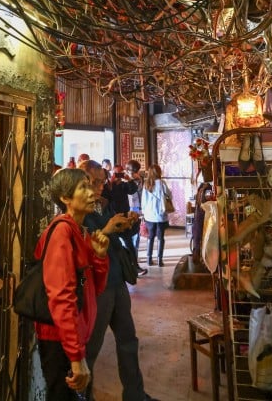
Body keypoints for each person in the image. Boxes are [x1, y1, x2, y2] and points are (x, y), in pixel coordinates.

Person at [80, 160, 159, 401]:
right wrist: (108, 228)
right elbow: (86, 247)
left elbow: (120, 232)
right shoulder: (78, 213)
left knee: (128, 339)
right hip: (97, 286)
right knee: (91, 348)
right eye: (93, 182)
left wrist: (130, 224)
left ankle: (135, 395)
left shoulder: (104, 205)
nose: (99, 187)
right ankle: (84, 396)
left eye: (101, 181)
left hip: (116, 281)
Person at [35, 167, 110, 400]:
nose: (91, 193)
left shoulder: (80, 231)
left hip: (74, 338)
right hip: (60, 341)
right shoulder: (61, 233)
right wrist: (76, 357)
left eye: (91, 186)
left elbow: (93, 289)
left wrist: (99, 257)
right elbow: (61, 297)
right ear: (66, 198)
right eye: (83, 188)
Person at [141, 164, 169, 267]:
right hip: (160, 214)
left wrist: (143, 212)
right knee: (161, 237)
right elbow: (169, 194)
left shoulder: (146, 184)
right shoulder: (162, 183)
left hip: (149, 215)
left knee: (150, 236)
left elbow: (143, 201)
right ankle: (159, 260)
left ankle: (149, 259)